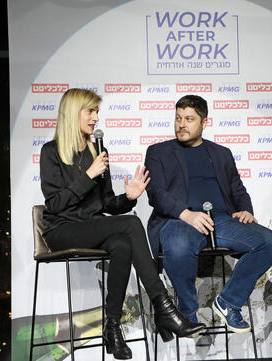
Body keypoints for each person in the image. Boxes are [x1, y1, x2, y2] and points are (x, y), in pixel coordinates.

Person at [39, 88, 205, 359]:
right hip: (61, 230)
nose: (95, 118)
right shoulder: (52, 152)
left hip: (90, 226)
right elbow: (55, 204)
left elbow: (105, 204)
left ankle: (112, 327)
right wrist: (89, 174)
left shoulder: (97, 150)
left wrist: (128, 198)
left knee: (121, 244)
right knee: (129, 225)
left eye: (97, 112)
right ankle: (164, 308)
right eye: (90, 111)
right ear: (73, 113)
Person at [144, 94, 272, 334]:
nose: (181, 124)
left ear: (204, 122)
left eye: (189, 119)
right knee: (177, 245)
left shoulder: (221, 153)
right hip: (179, 219)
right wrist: (186, 214)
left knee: (268, 241)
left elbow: (237, 188)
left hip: (221, 220)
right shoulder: (158, 151)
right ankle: (186, 313)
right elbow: (156, 192)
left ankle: (229, 302)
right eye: (178, 118)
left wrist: (246, 210)